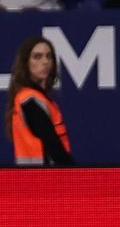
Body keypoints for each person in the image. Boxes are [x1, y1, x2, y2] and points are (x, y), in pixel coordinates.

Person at [6, 36, 73, 167]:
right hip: (43, 179)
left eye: (49, 56)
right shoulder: (30, 101)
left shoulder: (36, 99)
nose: (45, 62)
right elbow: (52, 145)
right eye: (37, 57)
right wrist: (75, 174)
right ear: (25, 63)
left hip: (35, 178)